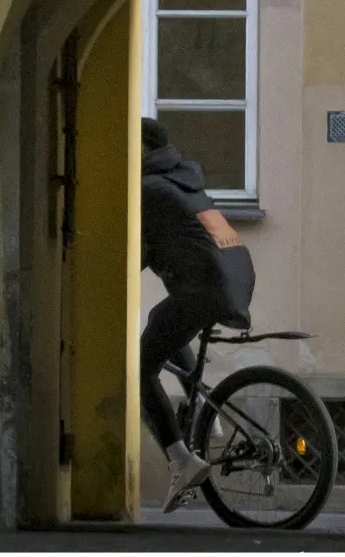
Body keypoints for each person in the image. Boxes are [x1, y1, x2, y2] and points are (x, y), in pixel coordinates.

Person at [140, 118, 256, 513]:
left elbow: (133, 251)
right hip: (233, 278)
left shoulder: (149, 189)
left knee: (140, 370)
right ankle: (202, 405)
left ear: (140, 148)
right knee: (163, 321)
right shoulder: (185, 182)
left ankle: (181, 460)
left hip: (207, 287)